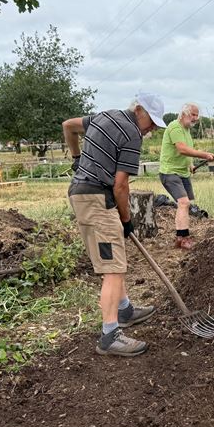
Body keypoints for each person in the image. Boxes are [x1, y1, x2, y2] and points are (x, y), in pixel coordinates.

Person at [62, 93, 167, 357]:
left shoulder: (104, 116)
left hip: (83, 194)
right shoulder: (132, 135)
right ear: (139, 110)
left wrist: (76, 158)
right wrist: (126, 220)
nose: (152, 128)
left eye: (155, 125)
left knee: (115, 260)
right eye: (151, 122)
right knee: (113, 268)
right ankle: (109, 335)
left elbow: (68, 126)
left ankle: (125, 309)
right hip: (98, 199)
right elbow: (121, 186)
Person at [158, 103, 214, 250]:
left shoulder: (187, 130)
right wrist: (204, 155)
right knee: (184, 203)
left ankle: (180, 237)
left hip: (183, 172)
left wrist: (190, 165)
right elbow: (182, 149)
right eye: (193, 115)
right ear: (184, 114)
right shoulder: (175, 127)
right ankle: (183, 238)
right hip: (169, 172)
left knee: (187, 203)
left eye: (197, 115)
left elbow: (187, 151)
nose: (196, 118)